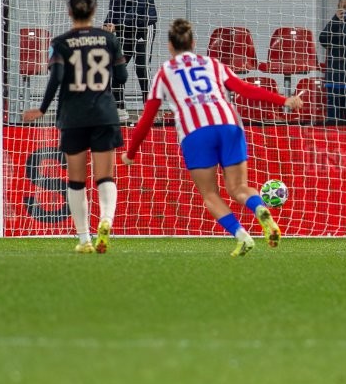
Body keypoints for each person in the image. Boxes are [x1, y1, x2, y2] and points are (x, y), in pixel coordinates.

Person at [121, 18, 304, 257]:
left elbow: (146, 119)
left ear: (170, 46)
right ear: (193, 42)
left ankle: (242, 236)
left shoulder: (164, 73)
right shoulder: (212, 64)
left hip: (196, 133)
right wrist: (283, 100)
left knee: (210, 194)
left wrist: (131, 152)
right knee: (239, 187)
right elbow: (244, 88)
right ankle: (259, 208)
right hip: (229, 125)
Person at [22, 0, 127, 254]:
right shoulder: (109, 39)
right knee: (105, 176)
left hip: (73, 116)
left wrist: (42, 109)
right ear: (93, 11)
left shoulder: (61, 43)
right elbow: (123, 77)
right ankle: (106, 220)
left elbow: (56, 77)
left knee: (76, 180)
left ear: (69, 11)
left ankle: (84, 240)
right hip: (104, 113)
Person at [104, 0, 157, 122]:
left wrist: (118, 24)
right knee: (117, 68)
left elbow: (140, 9)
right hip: (124, 31)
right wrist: (108, 22)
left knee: (142, 68)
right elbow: (114, 8)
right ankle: (119, 108)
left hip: (142, 29)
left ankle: (150, 110)